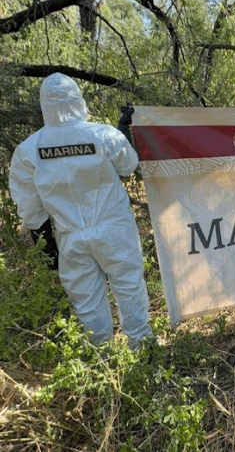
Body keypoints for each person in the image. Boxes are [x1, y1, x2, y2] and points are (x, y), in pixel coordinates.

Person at [9, 73, 153, 349]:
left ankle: (101, 361)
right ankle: (142, 351)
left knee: (87, 300)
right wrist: (123, 132)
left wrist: (48, 247)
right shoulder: (102, 135)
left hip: (70, 236)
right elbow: (128, 165)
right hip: (114, 228)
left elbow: (30, 208)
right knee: (129, 287)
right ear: (78, 98)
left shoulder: (29, 151)